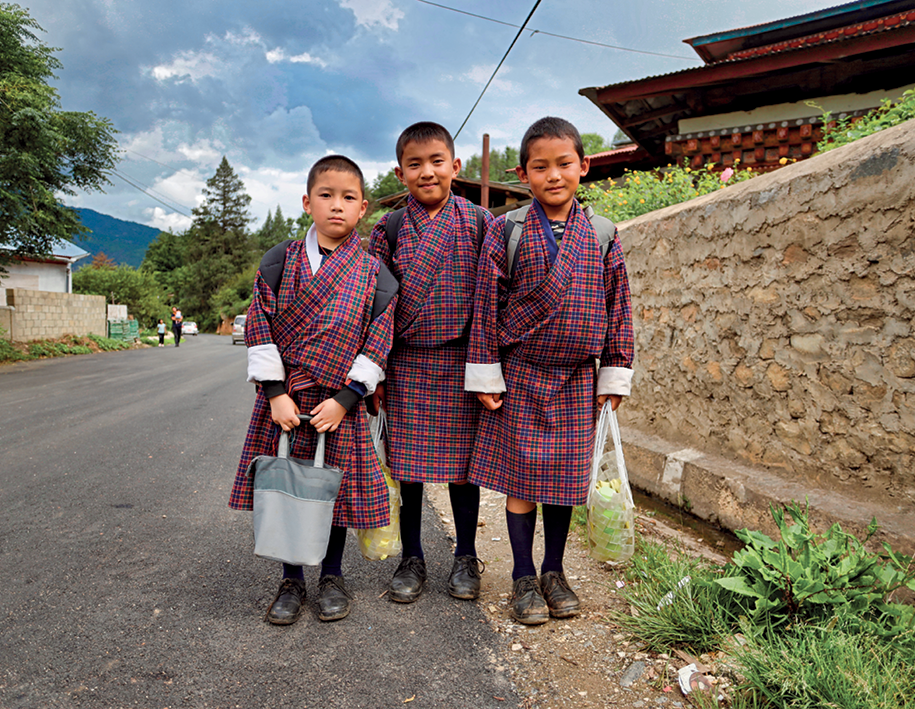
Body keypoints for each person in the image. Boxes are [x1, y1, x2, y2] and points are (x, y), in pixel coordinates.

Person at [465, 116, 634, 625]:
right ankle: (521, 575)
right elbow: (486, 305)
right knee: (522, 481)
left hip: (578, 378)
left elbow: (619, 305)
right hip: (521, 374)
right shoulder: (507, 229)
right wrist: (486, 373)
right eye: (540, 167)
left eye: (564, 164)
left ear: (583, 166)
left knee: (563, 481)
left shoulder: (603, 234)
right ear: (524, 173)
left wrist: (615, 371)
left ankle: (554, 571)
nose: (553, 175)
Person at [229, 155, 398, 625]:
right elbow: (259, 327)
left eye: (348, 198)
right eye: (326, 195)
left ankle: (332, 574)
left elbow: (378, 340)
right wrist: (276, 392)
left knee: (333, 491)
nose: (336, 206)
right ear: (307, 203)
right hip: (287, 401)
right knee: (288, 485)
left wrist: (347, 400)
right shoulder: (280, 261)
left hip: (337, 403)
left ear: (363, 208)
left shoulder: (376, 276)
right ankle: (291, 579)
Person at [368, 122, 493, 604]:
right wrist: (375, 370)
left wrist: (488, 369)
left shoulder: (482, 223)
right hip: (407, 364)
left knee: (464, 467)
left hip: (463, 362)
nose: (427, 172)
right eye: (415, 164)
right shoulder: (390, 228)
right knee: (408, 467)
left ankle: (465, 556)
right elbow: (376, 305)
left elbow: (491, 301)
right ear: (400, 174)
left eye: (437, 161)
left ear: (455, 166)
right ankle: (412, 556)